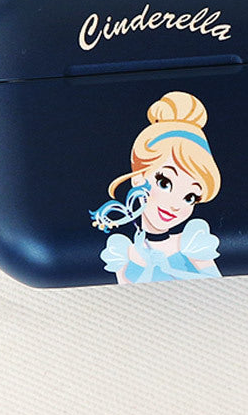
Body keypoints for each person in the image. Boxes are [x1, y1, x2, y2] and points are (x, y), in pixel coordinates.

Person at [89, 91, 222, 283]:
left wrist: (167, 268)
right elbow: (124, 290)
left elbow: (217, 282)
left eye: (190, 197)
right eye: (165, 183)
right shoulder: (123, 251)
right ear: (138, 178)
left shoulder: (190, 242)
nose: (175, 205)